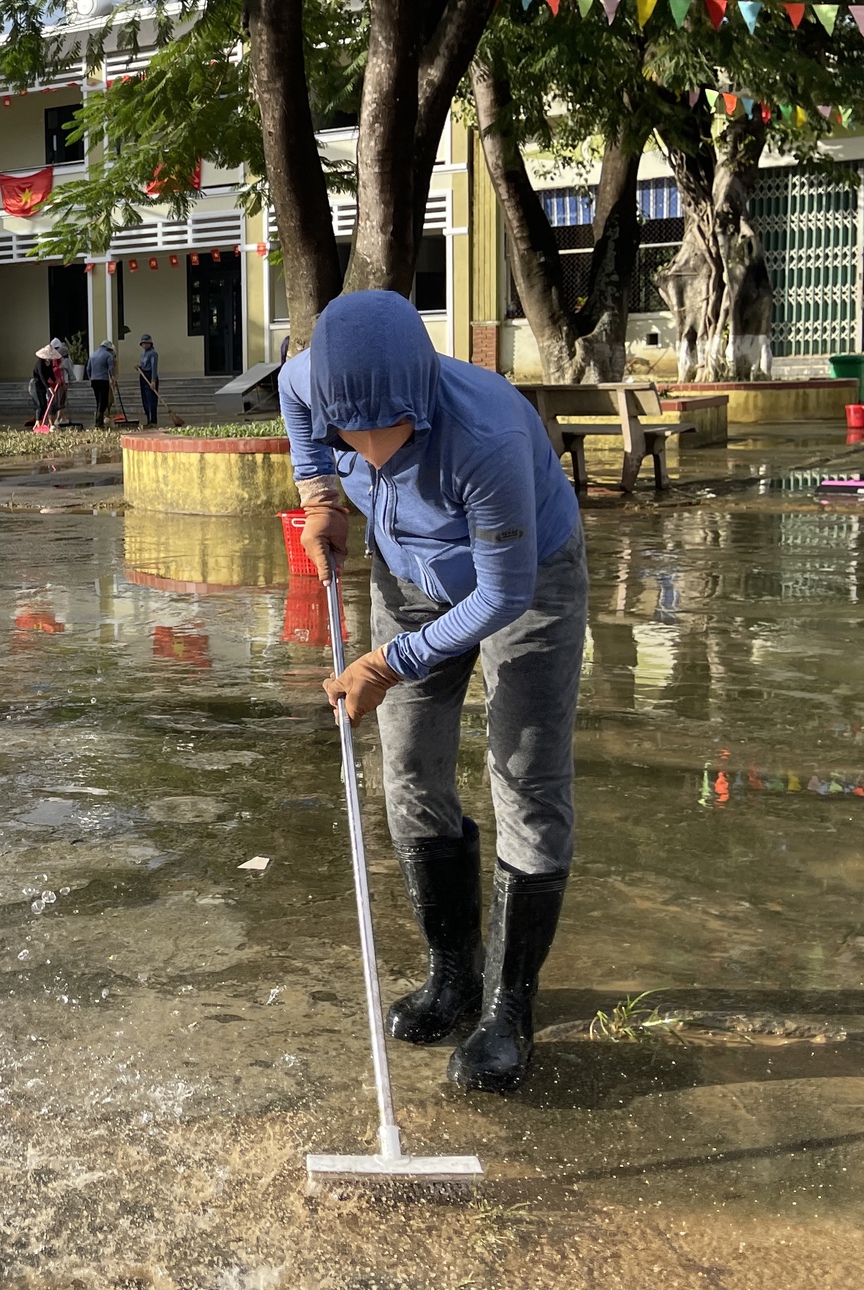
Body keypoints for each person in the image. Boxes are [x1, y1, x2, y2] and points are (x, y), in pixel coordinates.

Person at [284, 291, 585, 1094]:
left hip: (527, 583)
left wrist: (387, 664)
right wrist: (320, 497)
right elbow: (291, 394)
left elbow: (501, 597)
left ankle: (509, 1009)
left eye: (391, 431)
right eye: (350, 435)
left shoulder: (487, 435)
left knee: (525, 776)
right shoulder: (314, 381)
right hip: (409, 578)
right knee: (410, 770)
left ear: (420, 394)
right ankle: (453, 972)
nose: (371, 453)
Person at [30, 339, 68, 425]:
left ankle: (41, 423)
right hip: (36, 384)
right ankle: (38, 423)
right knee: (40, 405)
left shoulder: (49, 362)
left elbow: (50, 373)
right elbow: (42, 376)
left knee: (44, 404)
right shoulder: (40, 363)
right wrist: (49, 387)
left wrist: (56, 380)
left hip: (43, 385)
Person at [87, 339, 116, 428]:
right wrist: (113, 377)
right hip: (103, 380)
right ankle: (99, 422)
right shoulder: (108, 355)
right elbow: (111, 368)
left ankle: (99, 420)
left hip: (94, 380)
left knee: (98, 400)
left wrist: (91, 378)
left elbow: (88, 369)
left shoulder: (93, 355)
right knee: (103, 401)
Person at [136, 334, 160, 426]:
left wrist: (153, 380)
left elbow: (154, 367)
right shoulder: (143, 354)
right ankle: (148, 420)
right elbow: (144, 366)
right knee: (145, 399)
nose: (145, 345)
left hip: (150, 376)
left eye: (147, 343)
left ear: (150, 344)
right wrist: (139, 368)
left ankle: (153, 420)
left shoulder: (153, 354)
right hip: (143, 376)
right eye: (143, 343)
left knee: (151, 400)